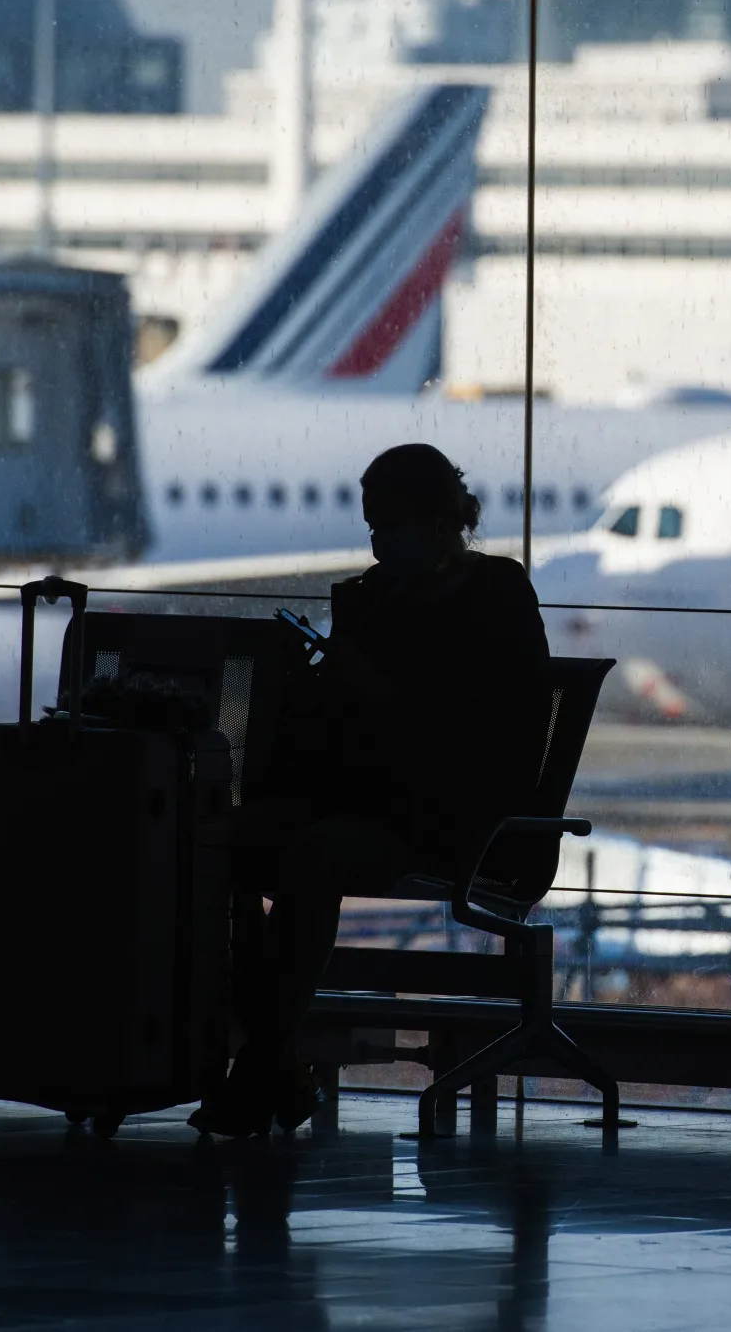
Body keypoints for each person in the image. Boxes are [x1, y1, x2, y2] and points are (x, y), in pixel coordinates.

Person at [200, 443, 550, 1136]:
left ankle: (264, 1061)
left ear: (437, 523)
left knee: (314, 858)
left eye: (389, 525)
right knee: (217, 843)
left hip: (452, 816)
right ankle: (271, 1060)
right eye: (372, 526)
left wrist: (376, 691)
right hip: (368, 803)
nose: (378, 542)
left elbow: (490, 732)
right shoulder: (376, 598)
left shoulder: (496, 595)